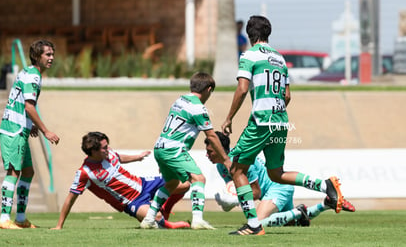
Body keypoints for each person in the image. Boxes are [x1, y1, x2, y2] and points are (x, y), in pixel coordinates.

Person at [221, 15, 346, 236]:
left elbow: (242, 89)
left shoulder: (249, 56)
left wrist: (229, 117)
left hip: (261, 120)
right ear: (268, 33)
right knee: (276, 173)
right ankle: (324, 185)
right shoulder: (279, 58)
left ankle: (252, 225)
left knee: (236, 168)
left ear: (250, 35)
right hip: (280, 121)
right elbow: (287, 96)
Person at [140, 72, 231, 230]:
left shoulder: (180, 100)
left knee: (172, 183)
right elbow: (211, 136)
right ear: (209, 89)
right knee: (199, 179)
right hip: (174, 149)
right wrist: (226, 159)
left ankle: (148, 219)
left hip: (160, 146)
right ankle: (197, 220)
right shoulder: (198, 108)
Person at [205, 132, 355, 228]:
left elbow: (255, 193)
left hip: (277, 188)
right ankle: (324, 204)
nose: (207, 155)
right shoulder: (221, 166)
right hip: (273, 191)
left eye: (210, 151)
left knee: (256, 223)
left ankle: (299, 211)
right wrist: (229, 202)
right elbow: (236, 189)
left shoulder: (240, 161)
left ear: (219, 149)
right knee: (292, 224)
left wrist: (234, 201)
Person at [52, 132, 190, 230]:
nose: (108, 149)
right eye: (104, 147)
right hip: (133, 202)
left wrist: (137, 157)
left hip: (144, 184)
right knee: (156, 217)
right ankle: (170, 225)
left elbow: (119, 157)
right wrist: (59, 226)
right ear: (93, 151)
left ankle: (166, 209)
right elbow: (70, 199)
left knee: (184, 184)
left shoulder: (108, 153)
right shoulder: (85, 173)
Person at [0, 40, 60, 229]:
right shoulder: (33, 77)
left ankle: (21, 218)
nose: (51, 58)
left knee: (28, 171)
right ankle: (3, 219)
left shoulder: (27, 72)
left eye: (52, 54)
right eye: (47, 54)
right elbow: (29, 106)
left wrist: (30, 124)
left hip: (19, 127)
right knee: (14, 172)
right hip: (14, 129)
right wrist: (45, 131)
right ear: (37, 56)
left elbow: (20, 101)